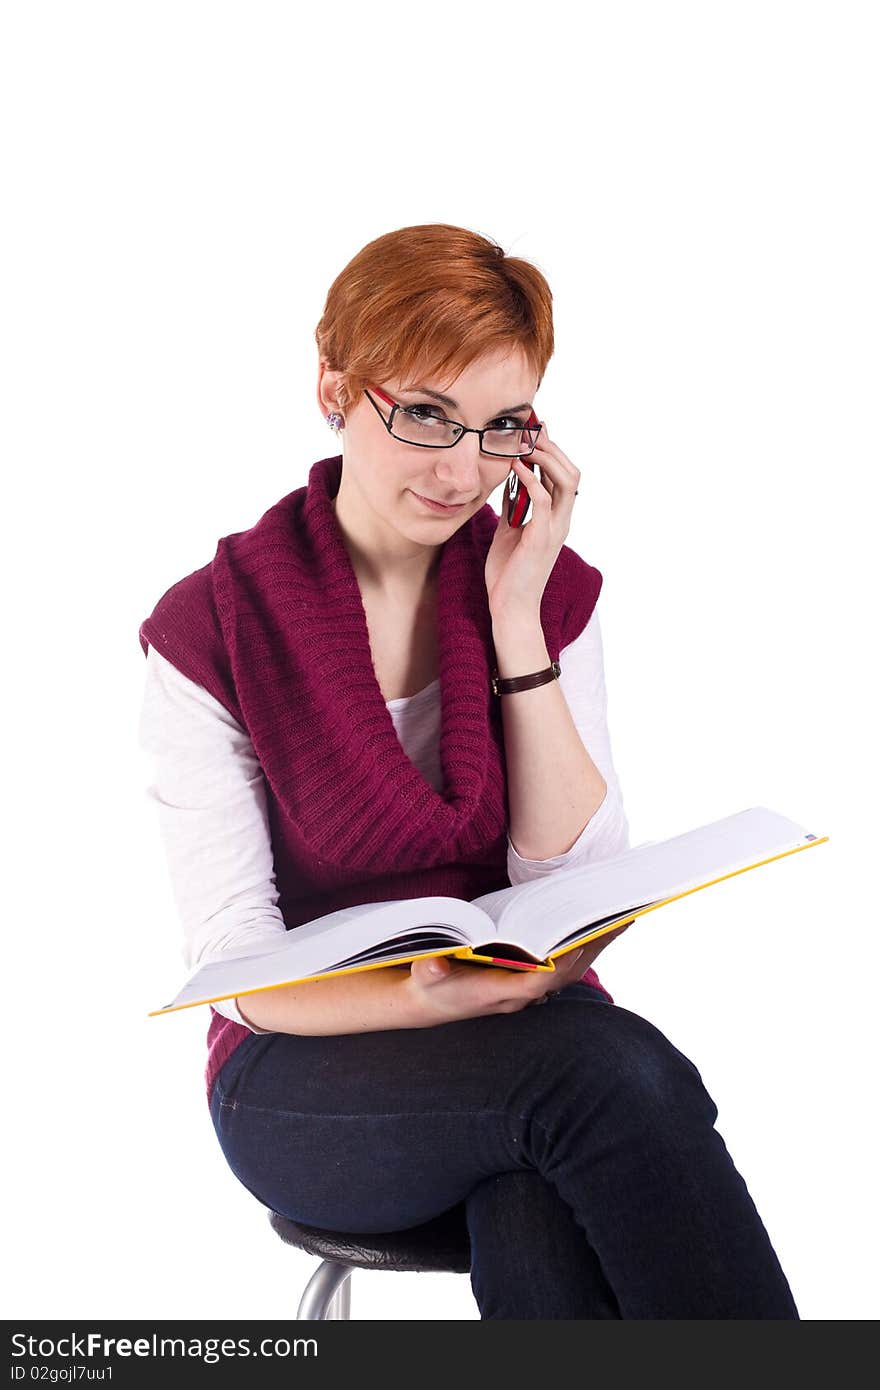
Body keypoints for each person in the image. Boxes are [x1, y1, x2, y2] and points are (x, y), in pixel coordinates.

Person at [138, 223, 800, 1319]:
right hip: (305, 1077)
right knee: (607, 1074)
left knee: (536, 1195)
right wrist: (418, 998)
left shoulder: (546, 591)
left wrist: (515, 618)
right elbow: (237, 972)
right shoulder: (210, 627)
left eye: (502, 427)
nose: (462, 468)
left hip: (528, 1046)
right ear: (335, 388)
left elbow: (567, 887)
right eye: (426, 416)